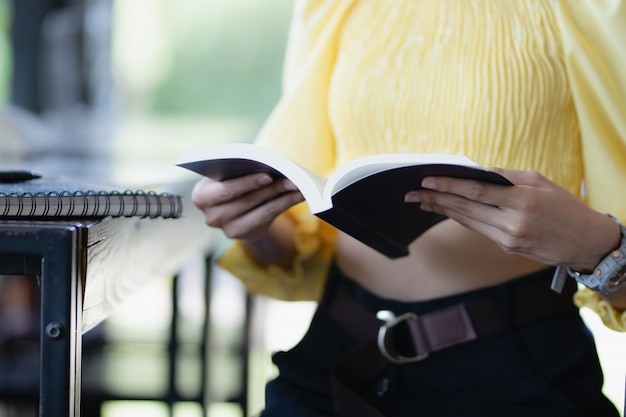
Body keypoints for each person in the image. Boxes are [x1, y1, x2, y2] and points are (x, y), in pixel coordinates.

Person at [192, 1, 626, 416]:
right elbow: (294, 246)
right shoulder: (336, 4)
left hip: (515, 367)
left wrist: (600, 251)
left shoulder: (589, 7)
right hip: (334, 351)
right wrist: (253, 222)